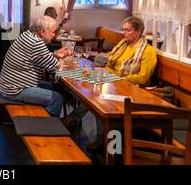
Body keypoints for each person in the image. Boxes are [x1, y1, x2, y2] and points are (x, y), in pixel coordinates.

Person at [62, 16, 158, 148]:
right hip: (114, 82)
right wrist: (104, 72)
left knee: (99, 99)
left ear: (138, 31)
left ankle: (106, 141)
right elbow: (110, 65)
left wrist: (115, 76)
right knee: (91, 92)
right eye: (123, 30)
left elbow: (143, 78)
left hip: (133, 90)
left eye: (127, 30)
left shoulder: (148, 51)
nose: (123, 33)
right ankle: (99, 134)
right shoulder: (122, 45)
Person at [0, 16, 72, 117]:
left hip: (8, 85)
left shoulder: (27, 35)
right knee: (56, 98)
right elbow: (56, 68)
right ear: (42, 32)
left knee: (48, 86)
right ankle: (46, 125)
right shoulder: (36, 43)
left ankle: (43, 116)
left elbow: (38, 56)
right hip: (15, 90)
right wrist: (62, 59)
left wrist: (55, 54)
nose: (54, 36)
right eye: (53, 32)